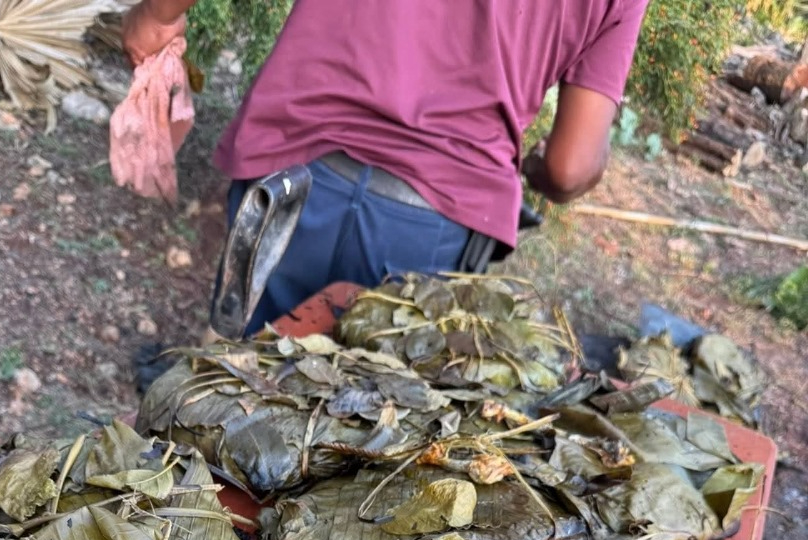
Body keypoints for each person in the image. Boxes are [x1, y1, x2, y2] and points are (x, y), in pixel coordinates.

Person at [123, 0, 649, 333]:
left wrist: (158, 15)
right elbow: (571, 168)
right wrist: (534, 167)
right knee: (354, 438)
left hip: (293, 170)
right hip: (433, 226)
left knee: (227, 403)